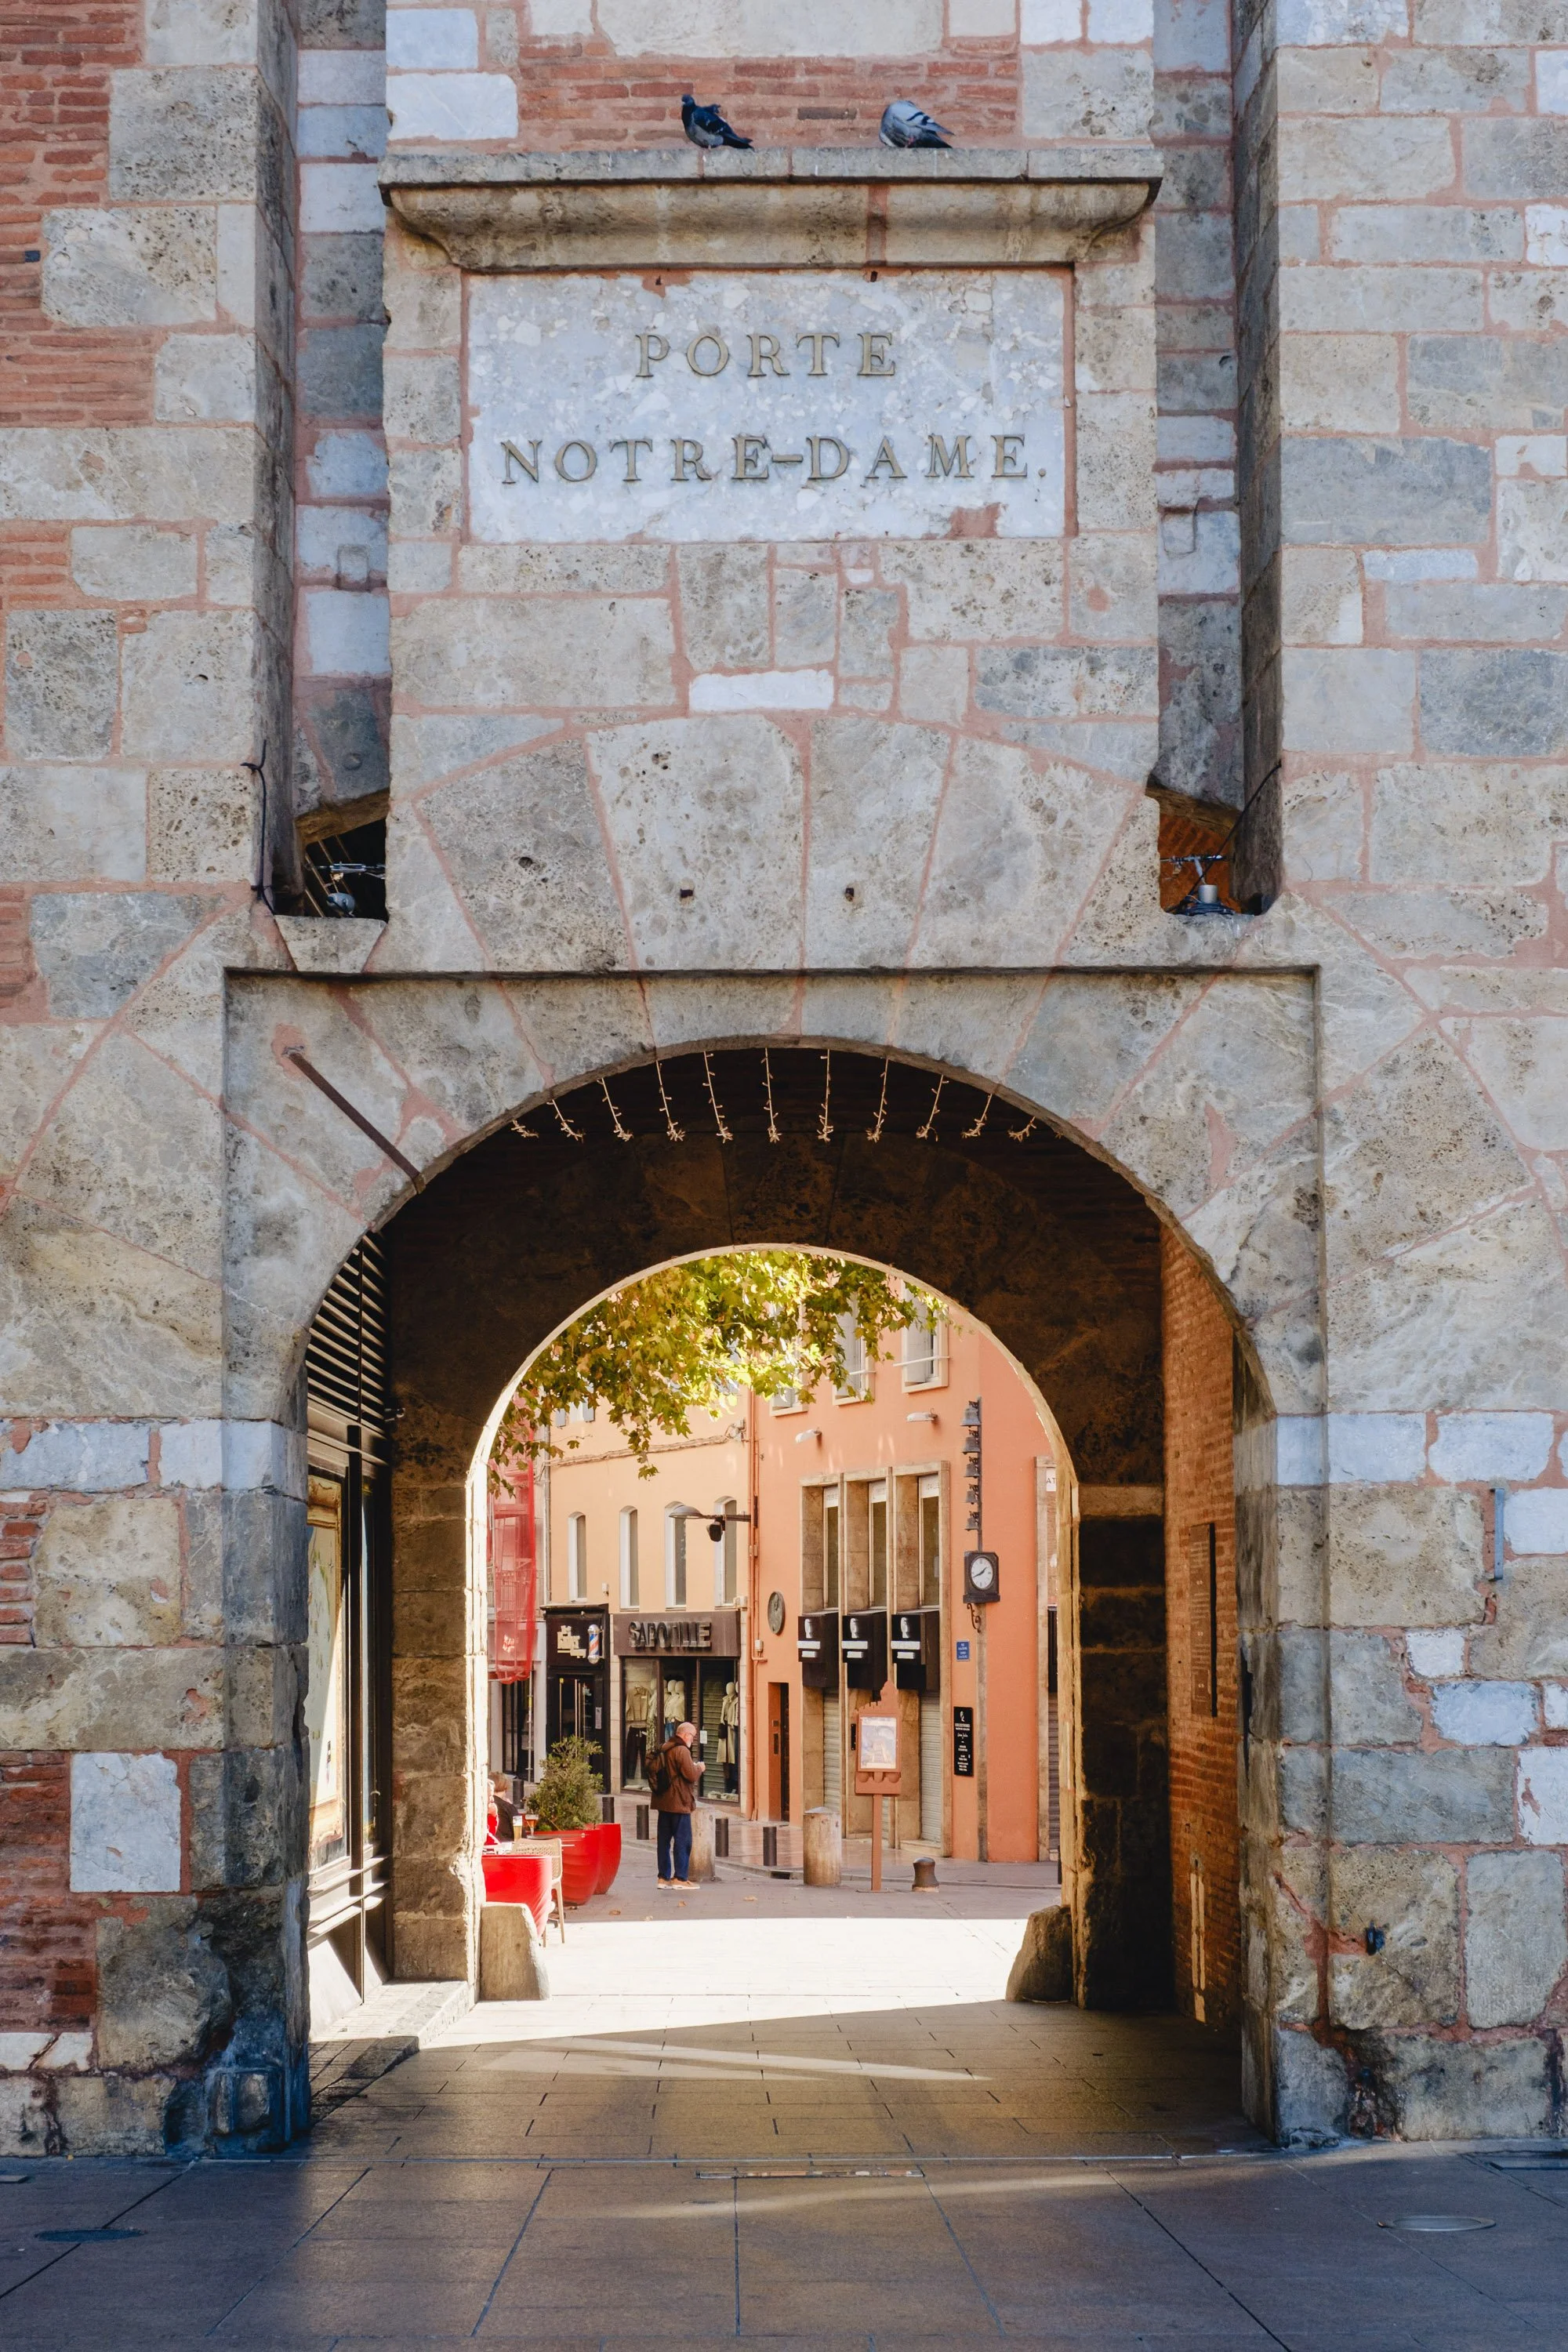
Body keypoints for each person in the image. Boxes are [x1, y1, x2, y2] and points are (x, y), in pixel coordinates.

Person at [647, 1719, 702, 1887]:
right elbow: (691, 1775)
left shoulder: (664, 1747)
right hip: (679, 1802)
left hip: (663, 1802)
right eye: (692, 1736)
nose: (693, 1740)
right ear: (685, 1735)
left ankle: (663, 1878)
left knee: (663, 1841)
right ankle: (680, 1878)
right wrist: (699, 1768)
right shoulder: (682, 1750)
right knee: (683, 1841)